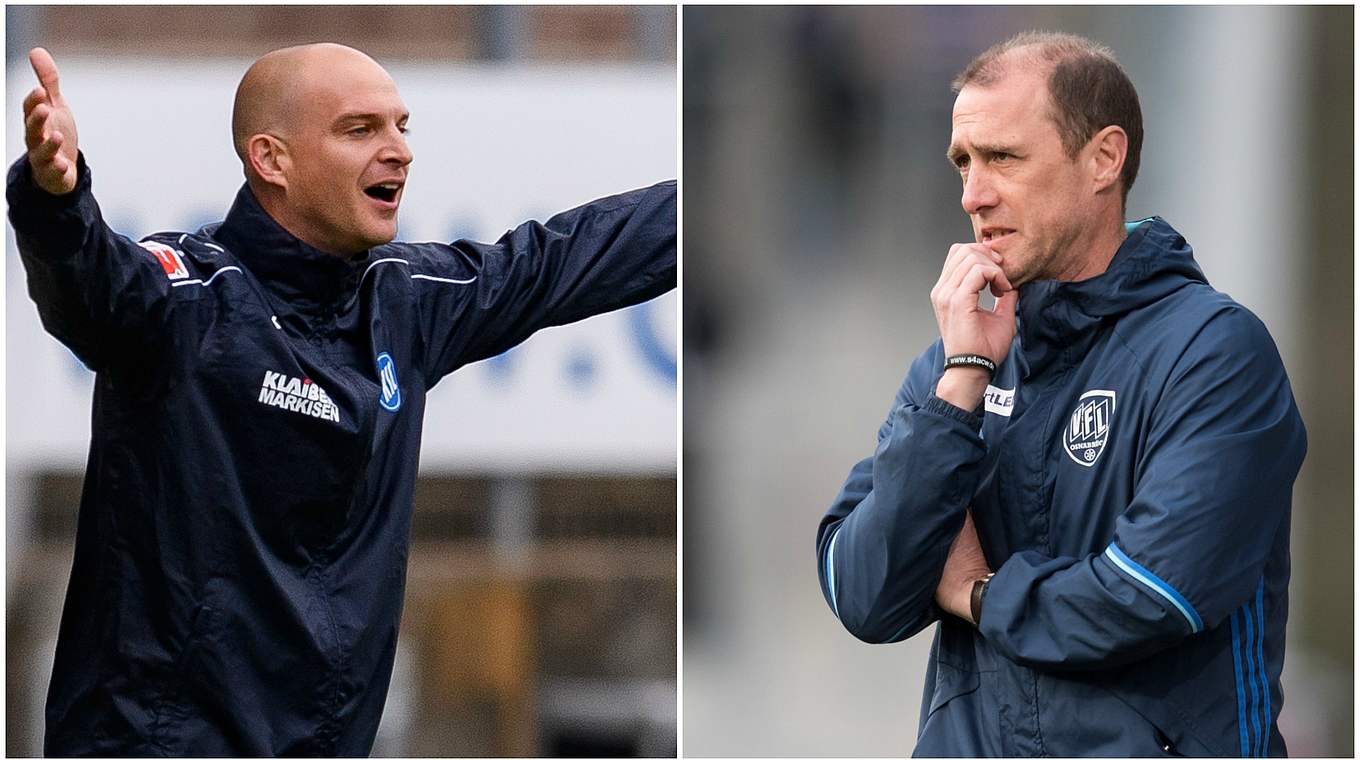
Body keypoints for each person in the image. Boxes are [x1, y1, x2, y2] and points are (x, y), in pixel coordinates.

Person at [12, 43, 674, 755]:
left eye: (401, 127)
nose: (398, 152)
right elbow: (91, 284)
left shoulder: (406, 300)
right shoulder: (188, 298)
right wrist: (57, 201)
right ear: (272, 159)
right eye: (360, 130)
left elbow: (564, 258)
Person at [815, 31, 1304, 757]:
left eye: (1003, 158)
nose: (973, 195)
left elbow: (1151, 593)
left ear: (1104, 158)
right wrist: (960, 385)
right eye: (963, 162)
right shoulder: (958, 366)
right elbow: (862, 593)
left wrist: (978, 594)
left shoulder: (1215, 351)